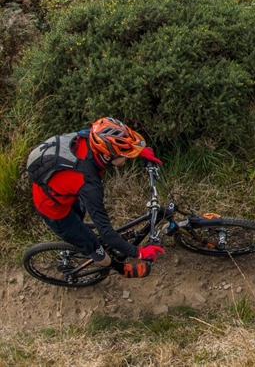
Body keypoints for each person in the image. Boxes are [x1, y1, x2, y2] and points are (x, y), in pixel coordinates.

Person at [30, 117, 166, 278]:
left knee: (81, 221)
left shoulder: (92, 137)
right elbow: (107, 234)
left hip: (61, 188)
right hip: (53, 209)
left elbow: (118, 145)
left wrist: (139, 150)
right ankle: (119, 268)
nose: (128, 157)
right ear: (108, 156)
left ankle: (79, 238)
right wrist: (140, 253)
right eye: (125, 154)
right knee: (93, 244)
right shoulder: (89, 184)